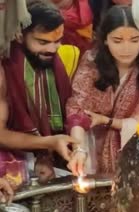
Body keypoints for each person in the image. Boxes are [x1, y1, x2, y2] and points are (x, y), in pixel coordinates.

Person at [66, 5, 139, 177]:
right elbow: (77, 110)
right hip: (92, 146)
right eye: (117, 40)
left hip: (137, 150)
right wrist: (78, 149)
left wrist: (107, 121)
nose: (126, 48)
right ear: (105, 39)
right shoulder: (92, 62)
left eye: (134, 40)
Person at [0, 0, 80, 183]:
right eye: (42, 42)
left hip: (48, 160)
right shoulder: (4, 68)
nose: (52, 49)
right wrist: (47, 144)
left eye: (57, 41)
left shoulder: (59, 61)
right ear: (19, 35)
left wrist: (46, 155)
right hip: (8, 164)